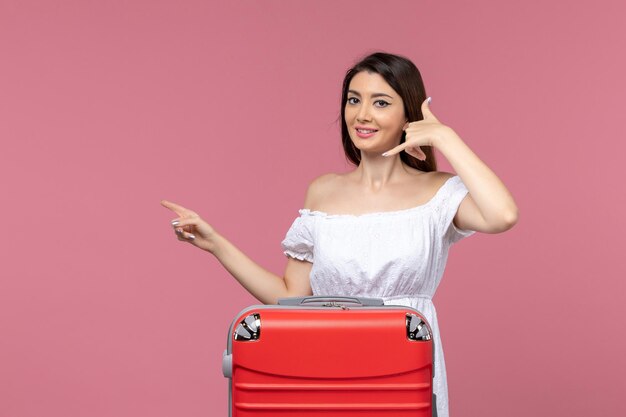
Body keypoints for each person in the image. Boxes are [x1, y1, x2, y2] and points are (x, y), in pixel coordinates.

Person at [161, 52, 518, 417]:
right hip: (327, 367)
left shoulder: (438, 192)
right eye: (353, 99)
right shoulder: (322, 191)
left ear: (408, 115)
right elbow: (290, 295)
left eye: (380, 102)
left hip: (405, 366)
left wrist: (444, 137)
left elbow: (503, 214)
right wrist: (216, 244)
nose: (361, 114)